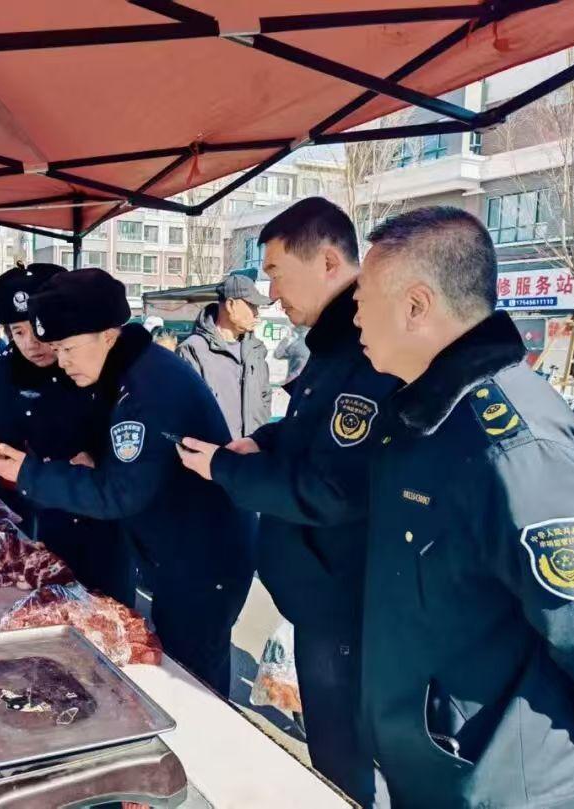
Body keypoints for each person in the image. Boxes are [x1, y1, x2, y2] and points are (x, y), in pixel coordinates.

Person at [353, 207, 574, 808]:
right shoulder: (425, 415)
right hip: (433, 765)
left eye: (362, 299)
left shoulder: (512, 446)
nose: (354, 316)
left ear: (415, 305)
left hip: (502, 784)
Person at [176, 197, 397, 806]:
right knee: (331, 748)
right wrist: (265, 441)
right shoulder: (330, 344)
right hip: (318, 594)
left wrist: (225, 468)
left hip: (344, 600)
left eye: (276, 273)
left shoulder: (366, 347)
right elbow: (312, 433)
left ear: (327, 261)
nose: (271, 295)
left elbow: (334, 487)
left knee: (343, 758)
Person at [0, 269, 256, 695]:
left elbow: (119, 492)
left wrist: (26, 472)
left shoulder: (146, 390)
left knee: (191, 682)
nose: (62, 362)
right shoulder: (129, 371)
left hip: (200, 560)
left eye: (68, 349)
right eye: (56, 349)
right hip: (176, 550)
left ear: (107, 337)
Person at [0, 264, 133, 603]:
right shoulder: (2, 374)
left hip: (101, 517)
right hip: (34, 517)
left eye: (39, 330)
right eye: (18, 332)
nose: (32, 344)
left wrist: (99, 456)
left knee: (109, 609)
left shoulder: (94, 365)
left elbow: (129, 435)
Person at [177, 273, 272, 439]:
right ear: (231, 305)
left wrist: (258, 440)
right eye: (252, 306)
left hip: (254, 451)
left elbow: (265, 396)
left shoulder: (256, 350)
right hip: (215, 452)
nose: (257, 313)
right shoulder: (193, 350)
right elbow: (184, 411)